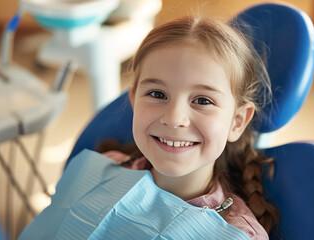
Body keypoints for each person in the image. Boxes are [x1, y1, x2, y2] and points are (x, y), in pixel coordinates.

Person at [98, 16, 279, 240]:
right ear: (134, 101)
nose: (174, 119)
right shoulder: (102, 170)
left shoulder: (235, 234)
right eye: (157, 94)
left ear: (237, 121)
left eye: (203, 100)